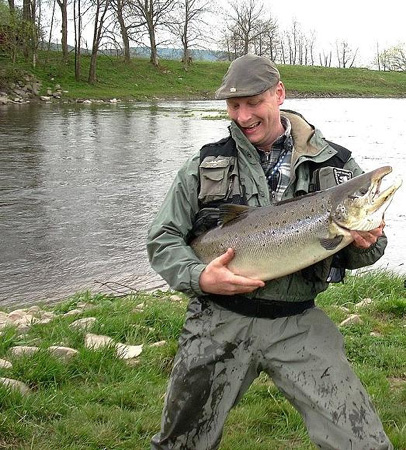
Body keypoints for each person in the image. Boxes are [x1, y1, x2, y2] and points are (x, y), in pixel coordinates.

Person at [146, 54, 392, 450]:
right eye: (234, 104)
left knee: (363, 444)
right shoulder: (204, 164)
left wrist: (366, 242)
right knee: (180, 444)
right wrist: (199, 277)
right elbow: (162, 239)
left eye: (253, 102)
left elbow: (371, 248)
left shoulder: (336, 166)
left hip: (297, 320)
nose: (243, 116)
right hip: (219, 320)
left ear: (279, 94)